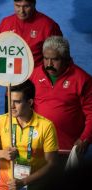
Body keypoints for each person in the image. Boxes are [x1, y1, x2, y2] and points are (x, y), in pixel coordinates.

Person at [0, 0, 62, 112]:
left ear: (34, 4)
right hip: (12, 89)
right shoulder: (6, 23)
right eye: (17, 6)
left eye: (26, 6)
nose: (21, 11)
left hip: (38, 90)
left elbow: (60, 58)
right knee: (11, 127)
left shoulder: (49, 26)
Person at [0, 80, 59, 190]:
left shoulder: (46, 126)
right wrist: (2, 153)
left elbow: (52, 164)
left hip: (36, 186)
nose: (11, 106)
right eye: (10, 101)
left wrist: (24, 181)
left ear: (30, 102)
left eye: (17, 102)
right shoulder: (1, 121)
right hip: (6, 187)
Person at [30, 36, 92, 169]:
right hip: (39, 147)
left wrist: (85, 138)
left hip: (68, 150)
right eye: (46, 58)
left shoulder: (83, 80)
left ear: (67, 59)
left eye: (55, 59)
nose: (49, 64)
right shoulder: (34, 75)